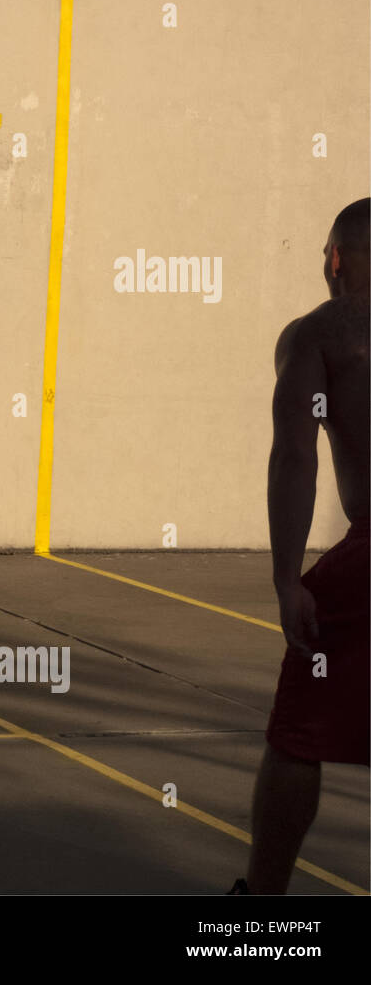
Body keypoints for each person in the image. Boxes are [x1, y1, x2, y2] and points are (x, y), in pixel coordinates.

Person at [232, 198, 370, 894]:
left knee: (299, 731)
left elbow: (296, 458)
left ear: (336, 259)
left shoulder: (320, 335)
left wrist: (289, 578)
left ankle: (261, 914)